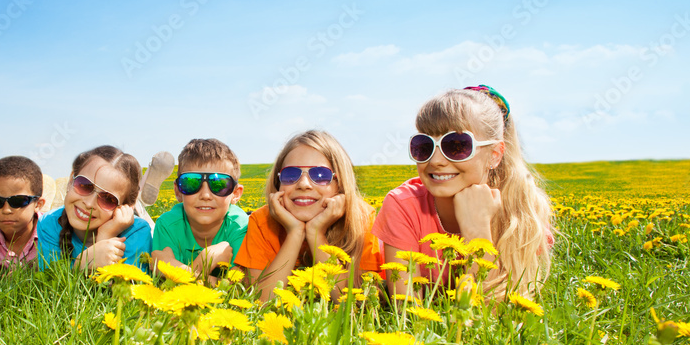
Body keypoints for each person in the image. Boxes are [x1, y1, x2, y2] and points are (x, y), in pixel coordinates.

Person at [372, 85, 552, 296]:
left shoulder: (520, 210)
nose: (436, 160)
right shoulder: (403, 205)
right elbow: (406, 310)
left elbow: (493, 315)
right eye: (424, 145)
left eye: (457, 146)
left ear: (494, 154)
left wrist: (477, 232)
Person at [235, 130, 383, 300]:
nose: (304, 184)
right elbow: (262, 301)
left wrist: (315, 234)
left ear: (340, 184)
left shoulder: (361, 219)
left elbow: (355, 304)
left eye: (320, 175)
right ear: (278, 183)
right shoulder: (262, 221)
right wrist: (295, 233)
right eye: (291, 175)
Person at [36, 145, 152, 271]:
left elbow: (126, 287)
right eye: (84, 185)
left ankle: (140, 208)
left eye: (108, 199)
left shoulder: (136, 232)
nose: (89, 204)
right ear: (70, 181)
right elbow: (50, 282)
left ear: (123, 207)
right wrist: (82, 263)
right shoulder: (49, 223)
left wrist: (106, 235)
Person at [151, 138, 247, 280]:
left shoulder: (242, 227)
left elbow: (239, 288)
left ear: (236, 194)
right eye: (191, 183)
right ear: (178, 191)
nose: (205, 195)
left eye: (219, 184)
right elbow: (163, 281)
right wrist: (205, 262)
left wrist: (176, 270)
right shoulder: (167, 225)